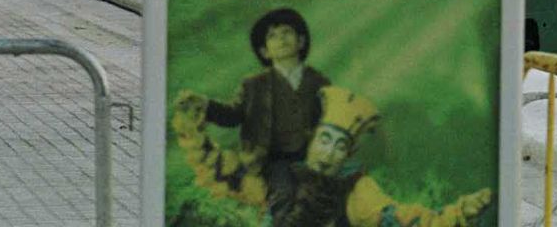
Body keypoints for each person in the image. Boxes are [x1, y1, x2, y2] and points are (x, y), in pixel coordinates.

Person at [172, 84, 492, 227]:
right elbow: (223, 174)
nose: (329, 152)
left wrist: (459, 214)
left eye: (340, 146)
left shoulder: (356, 191)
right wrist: (191, 129)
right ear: (311, 140)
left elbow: (407, 220)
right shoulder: (280, 175)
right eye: (326, 139)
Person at [173, 8, 331, 224]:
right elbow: (233, 115)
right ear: (265, 51)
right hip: (272, 159)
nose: (281, 39)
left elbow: (330, 120)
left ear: (301, 41)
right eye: (272, 36)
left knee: (322, 198)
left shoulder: (319, 83)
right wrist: (206, 106)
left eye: (287, 32)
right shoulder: (253, 86)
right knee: (284, 194)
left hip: (311, 158)